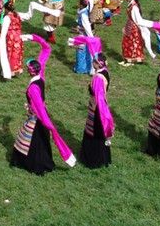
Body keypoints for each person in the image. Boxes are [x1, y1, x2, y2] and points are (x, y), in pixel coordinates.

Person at [11, 33, 76, 174]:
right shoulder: (41, 75)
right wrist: (32, 37)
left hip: (37, 116)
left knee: (33, 140)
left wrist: (36, 114)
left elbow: (38, 106)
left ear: (30, 72)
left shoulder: (33, 88)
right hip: (39, 114)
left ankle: (36, 165)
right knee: (39, 139)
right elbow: (46, 49)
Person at [69, 36, 114, 169]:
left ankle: (93, 160)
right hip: (98, 106)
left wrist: (101, 112)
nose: (93, 64)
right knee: (97, 133)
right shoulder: (105, 72)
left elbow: (99, 96)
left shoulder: (98, 78)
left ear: (97, 64)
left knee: (94, 133)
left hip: (97, 109)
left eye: (94, 62)